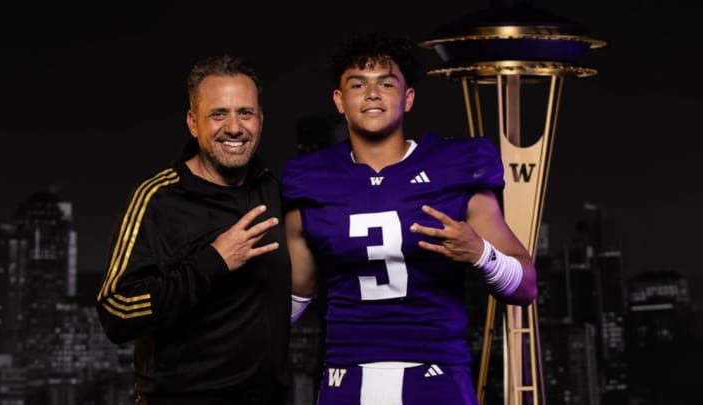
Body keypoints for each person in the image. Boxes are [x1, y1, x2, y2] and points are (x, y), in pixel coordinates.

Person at [282, 32, 538, 405]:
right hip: (346, 378)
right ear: (339, 100)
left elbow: (526, 287)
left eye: (386, 83)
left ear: (408, 97)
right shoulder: (311, 181)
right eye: (358, 84)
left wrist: (481, 253)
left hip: (435, 376)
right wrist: (223, 339)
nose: (372, 93)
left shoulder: (455, 168)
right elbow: (296, 295)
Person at [95, 54, 291, 405]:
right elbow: (115, 310)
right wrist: (212, 261)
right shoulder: (159, 198)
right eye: (218, 114)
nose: (234, 127)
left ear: (260, 120)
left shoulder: (273, 190)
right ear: (193, 123)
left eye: (245, 113)